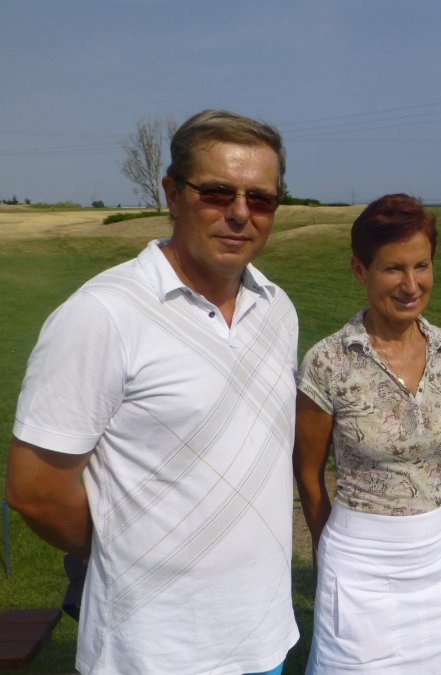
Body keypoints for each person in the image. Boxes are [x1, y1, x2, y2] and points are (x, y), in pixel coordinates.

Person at [6, 109, 299, 675]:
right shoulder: (102, 314)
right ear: (172, 193)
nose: (240, 213)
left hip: (264, 639)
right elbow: (36, 490)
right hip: (152, 651)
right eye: (217, 192)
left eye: (261, 199)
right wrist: (122, 549)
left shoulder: (277, 308)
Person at [294, 194, 441, 674]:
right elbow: (308, 472)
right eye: (393, 269)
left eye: (422, 266)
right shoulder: (328, 361)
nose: (411, 284)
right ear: (361, 271)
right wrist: (327, 550)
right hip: (361, 563)